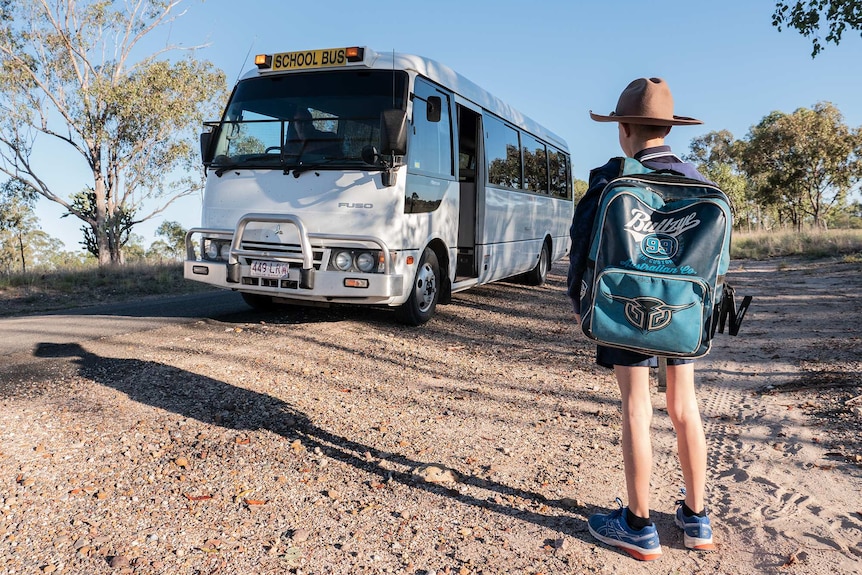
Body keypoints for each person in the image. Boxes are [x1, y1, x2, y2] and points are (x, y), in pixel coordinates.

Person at [567, 77, 716, 561]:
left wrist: (584, 305)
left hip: (623, 306)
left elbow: (581, 250)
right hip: (682, 311)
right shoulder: (702, 186)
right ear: (669, 128)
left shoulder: (611, 179)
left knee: (637, 406)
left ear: (623, 129)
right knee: (684, 406)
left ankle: (638, 524)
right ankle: (696, 518)